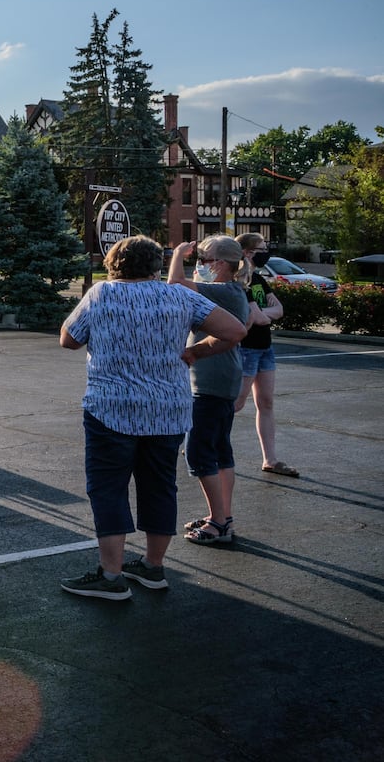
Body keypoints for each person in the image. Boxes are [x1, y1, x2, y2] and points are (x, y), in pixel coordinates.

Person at [58, 235, 246, 600]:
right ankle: (153, 567)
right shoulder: (180, 296)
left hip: (110, 408)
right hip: (168, 411)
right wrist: (194, 352)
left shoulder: (101, 294)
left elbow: (69, 339)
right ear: (156, 267)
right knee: (159, 486)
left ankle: (111, 577)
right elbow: (236, 331)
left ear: (114, 265)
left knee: (109, 488)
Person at [167, 236, 253, 545]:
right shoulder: (231, 291)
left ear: (221, 264)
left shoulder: (224, 290)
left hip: (210, 383)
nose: (199, 267)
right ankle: (222, 516)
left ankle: (219, 522)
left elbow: (175, 284)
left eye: (203, 261)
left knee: (199, 451)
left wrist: (177, 253)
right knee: (219, 451)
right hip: (221, 380)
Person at [233, 233, 296, 477]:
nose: (265, 251)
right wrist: (265, 314)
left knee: (266, 402)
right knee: (236, 403)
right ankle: (204, 442)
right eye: (261, 248)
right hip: (246, 349)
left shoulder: (258, 279)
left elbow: (277, 310)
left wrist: (263, 314)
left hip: (265, 348)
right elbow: (255, 317)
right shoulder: (241, 281)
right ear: (247, 252)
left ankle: (270, 459)